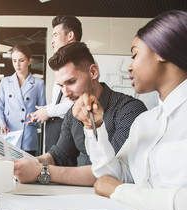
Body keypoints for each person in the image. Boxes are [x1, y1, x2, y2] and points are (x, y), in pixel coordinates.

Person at [73, 10, 187, 210]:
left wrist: (120, 192)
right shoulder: (145, 122)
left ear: (161, 51)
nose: (129, 66)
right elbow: (112, 177)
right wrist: (94, 127)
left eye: (135, 55)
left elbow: (115, 187)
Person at [14, 42, 147, 186]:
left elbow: (110, 172)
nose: (66, 93)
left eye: (71, 82)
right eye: (61, 86)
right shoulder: (72, 113)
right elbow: (58, 155)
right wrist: (23, 163)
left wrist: (42, 171)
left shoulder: (130, 110)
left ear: (93, 72)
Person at [27, 15, 81, 152]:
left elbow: (77, 102)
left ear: (70, 35)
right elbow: (60, 102)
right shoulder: (61, 65)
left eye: (55, 35)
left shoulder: (81, 63)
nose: (52, 41)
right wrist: (41, 112)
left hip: (69, 127)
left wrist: (48, 111)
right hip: (55, 128)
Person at [0, 44, 46, 156]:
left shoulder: (38, 84)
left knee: (26, 171)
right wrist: (1, 123)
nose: (17, 65)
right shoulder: (5, 82)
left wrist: (35, 118)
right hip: (7, 133)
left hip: (27, 137)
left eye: (21, 60)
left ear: (29, 61)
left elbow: (42, 110)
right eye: (14, 60)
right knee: (5, 171)